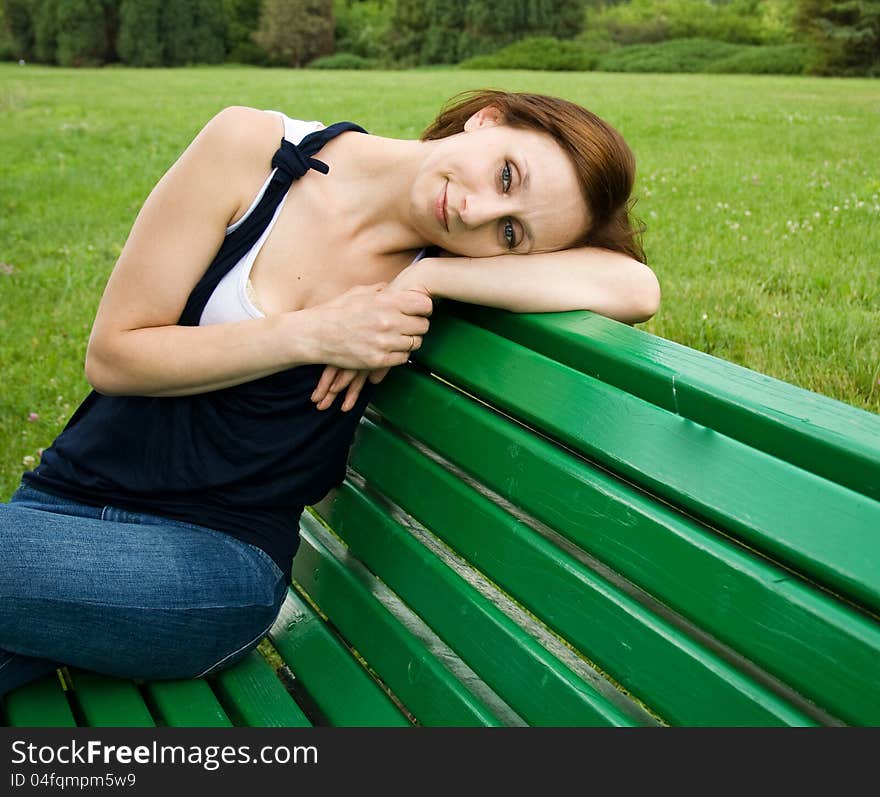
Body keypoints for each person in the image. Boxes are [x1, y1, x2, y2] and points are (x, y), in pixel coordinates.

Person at [0, 89, 659, 698]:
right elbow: (115, 353)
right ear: (487, 116)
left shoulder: (437, 271)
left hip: (214, 565)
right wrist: (313, 334)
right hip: (60, 511)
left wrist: (429, 280)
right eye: (506, 174)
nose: (477, 211)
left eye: (511, 234)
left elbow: (635, 289)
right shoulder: (251, 151)